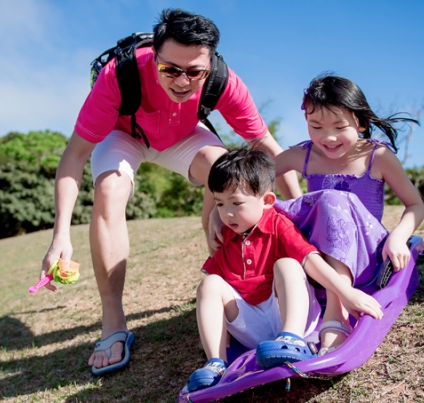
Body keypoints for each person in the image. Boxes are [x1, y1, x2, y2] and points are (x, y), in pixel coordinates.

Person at [39, 8, 302, 376]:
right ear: (156, 57)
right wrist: (60, 235)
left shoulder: (224, 80)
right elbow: (74, 156)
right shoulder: (120, 75)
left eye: (195, 72)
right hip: (125, 135)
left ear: (210, 65)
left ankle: (232, 285)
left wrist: (301, 210)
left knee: (223, 167)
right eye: (170, 70)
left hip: (183, 136)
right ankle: (113, 323)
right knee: (110, 190)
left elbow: (268, 149)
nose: (182, 81)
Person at [187, 148, 383, 392]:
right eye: (220, 203)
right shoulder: (226, 235)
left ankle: (291, 338)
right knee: (209, 283)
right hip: (251, 324)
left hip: (290, 315)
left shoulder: (278, 224)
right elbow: (214, 293)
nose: (227, 213)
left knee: (288, 263)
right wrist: (217, 328)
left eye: (236, 203)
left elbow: (312, 262)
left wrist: (346, 292)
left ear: (268, 201)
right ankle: (216, 363)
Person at [272, 73, 424, 355]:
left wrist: (398, 238)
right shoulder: (303, 155)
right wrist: (224, 212)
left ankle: (336, 311)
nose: (327, 137)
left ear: (361, 123)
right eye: (315, 126)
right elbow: (249, 180)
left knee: (333, 199)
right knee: (268, 207)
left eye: (339, 126)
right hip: (318, 258)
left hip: (366, 255)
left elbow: (416, 205)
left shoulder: (376, 156)